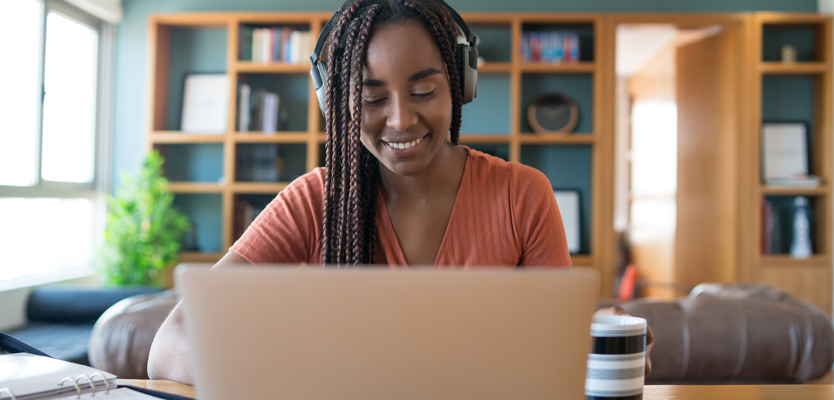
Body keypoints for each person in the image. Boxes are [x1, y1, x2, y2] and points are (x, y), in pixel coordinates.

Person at [148, 0, 651, 384]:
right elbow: (169, 345)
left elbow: (555, 355)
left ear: (460, 85)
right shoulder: (314, 200)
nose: (400, 120)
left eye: (424, 92)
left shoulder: (522, 195)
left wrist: (595, 338)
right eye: (370, 98)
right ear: (339, 103)